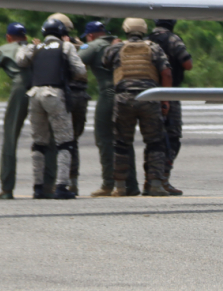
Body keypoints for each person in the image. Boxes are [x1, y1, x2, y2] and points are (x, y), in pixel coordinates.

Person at [15, 16, 87, 199]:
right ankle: (61, 186)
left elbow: (20, 60)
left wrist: (27, 46)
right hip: (54, 93)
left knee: (39, 142)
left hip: (34, 94)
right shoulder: (66, 46)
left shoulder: (36, 47)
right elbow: (80, 70)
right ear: (62, 33)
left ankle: (38, 187)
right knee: (65, 142)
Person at [102, 18, 172, 196]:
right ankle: (155, 185)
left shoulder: (116, 48)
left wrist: (114, 45)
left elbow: (105, 63)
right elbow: (166, 73)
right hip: (149, 98)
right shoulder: (154, 47)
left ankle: (120, 187)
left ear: (126, 29)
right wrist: (165, 100)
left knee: (121, 143)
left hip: (124, 99)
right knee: (155, 142)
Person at [79, 20, 139, 197]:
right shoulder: (120, 44)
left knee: (104, 138)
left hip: (108, 94)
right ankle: (130, 184)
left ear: (90, 35)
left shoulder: (93, 46)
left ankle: (109, 183)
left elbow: (73, 62)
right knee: (124, 139)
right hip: (127, 92)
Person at [0, 23, 32, 199]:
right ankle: (46, 186)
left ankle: (7, 188)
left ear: (9, 37)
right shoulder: (35, 47)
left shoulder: (4, 49)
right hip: (43, 86)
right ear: (25, 37)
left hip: (20, 89)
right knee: (46, 137)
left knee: (11, 137)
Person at [41, 13, 88, 194]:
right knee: (71, 140)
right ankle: (72, 182)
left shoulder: (55, 46)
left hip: (62, 95)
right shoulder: (80, 46)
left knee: (58, 141)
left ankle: (55, 182)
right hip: (81, 96)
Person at [148, 19, 192, 195]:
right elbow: (187, 64)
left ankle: (151, 180)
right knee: (172, 137)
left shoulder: (147, 40)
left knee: (154, 139)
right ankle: (163, 179)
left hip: (148, 93)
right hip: (170, 93)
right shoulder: (173, 39)